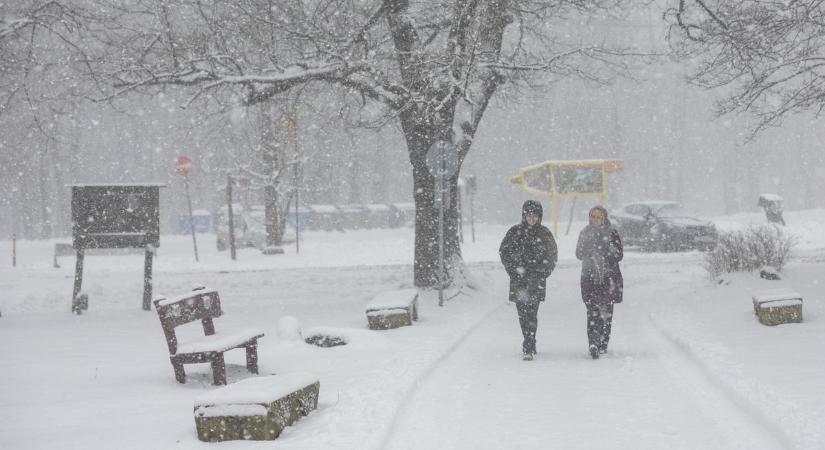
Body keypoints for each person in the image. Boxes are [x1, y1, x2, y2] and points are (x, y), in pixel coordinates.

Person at [499, 200, 558, 361]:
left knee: (532, 312)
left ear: (539, 217)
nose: (532, 219)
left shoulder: (544, 234)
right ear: (524, 216)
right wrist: (513, 270)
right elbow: (504, 252)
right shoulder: (514, 232)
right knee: (522, 314)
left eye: (535, 216)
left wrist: (543, 272)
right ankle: (529, 338)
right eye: (529, 215)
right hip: (519, 280)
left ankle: (529, 344)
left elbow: (552, 256)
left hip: (535, 280)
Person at [576, 205, 624, 359]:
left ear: (604, 218)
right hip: (590, 279)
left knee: (606, 314)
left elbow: (619, 254)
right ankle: (593, 343)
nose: (595, 219)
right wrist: (590, 252)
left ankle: (603, 342)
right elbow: (579, 253)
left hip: (608, 278)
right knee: (592, 313)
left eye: (598, 217)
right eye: (593, 216)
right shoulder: (585, 232)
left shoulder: (612, 232)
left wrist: (605, 252)